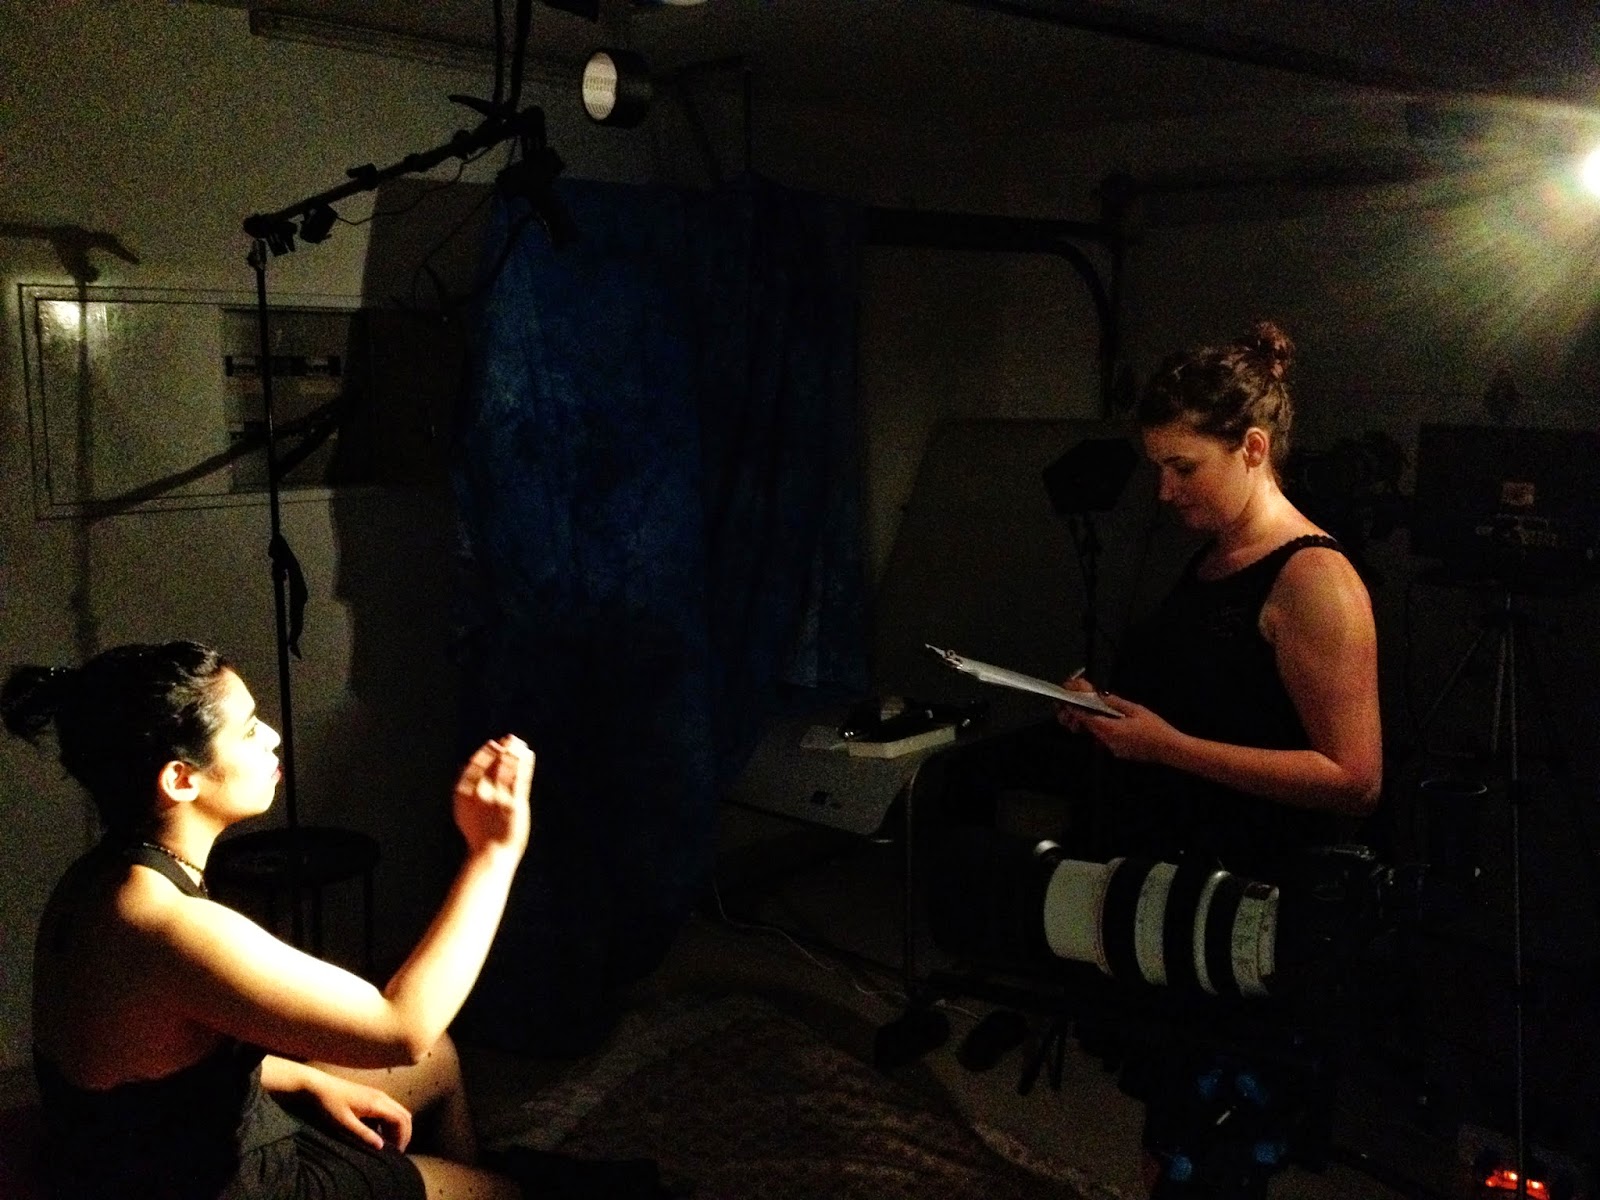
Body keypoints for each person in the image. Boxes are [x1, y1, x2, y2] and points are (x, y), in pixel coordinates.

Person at [4, 640, 544, 1200]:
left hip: (176, 1138)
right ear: (181, 780)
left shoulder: (102, 878)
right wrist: (493, 854)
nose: (272, 737)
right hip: (216, 1182)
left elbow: (154, 1067)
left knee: (440, 1057)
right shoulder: (166, 924)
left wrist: (308, 1080)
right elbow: (403, 1029)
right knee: (507, 1190)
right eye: (247, 730)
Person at [1059, 319, 1383, 883]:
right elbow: (1213, 702)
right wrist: (1107, 712)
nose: (1165, 491)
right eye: (1159, 469)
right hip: (1181, 869)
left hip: (1256, 884)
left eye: (1183, 468)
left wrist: (1169, 748)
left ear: (1253, 448)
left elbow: (1355, 782)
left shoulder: (1315, 579)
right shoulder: (1214, 555)